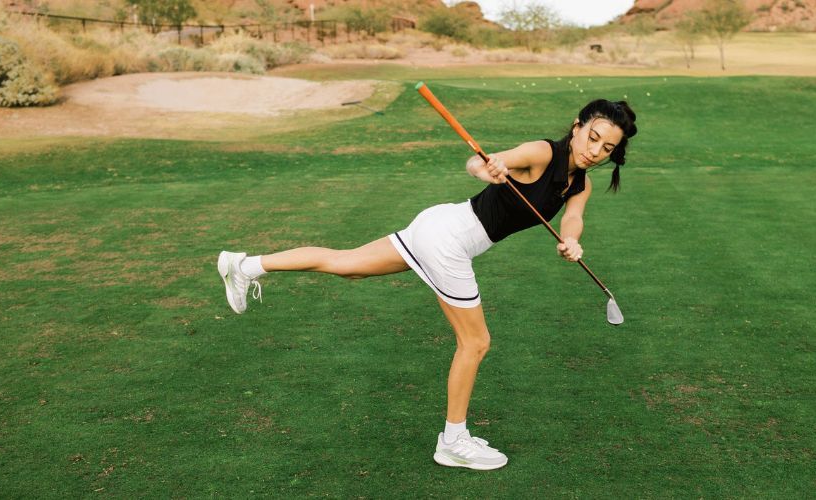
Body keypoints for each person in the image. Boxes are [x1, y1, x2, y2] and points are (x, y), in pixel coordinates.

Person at [217, 99, 637, 471]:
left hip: (438, 225)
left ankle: (245, 266)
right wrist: (488, 169)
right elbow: (478, 162)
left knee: (349, 265)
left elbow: (573, 218)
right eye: (592, 137)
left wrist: (573, 240)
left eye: (606, 148)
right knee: (475, 343)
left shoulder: (581, 181)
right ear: (578, 125)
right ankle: (453, 442)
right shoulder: (543, 152)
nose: (594, 151)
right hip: (449, 240)